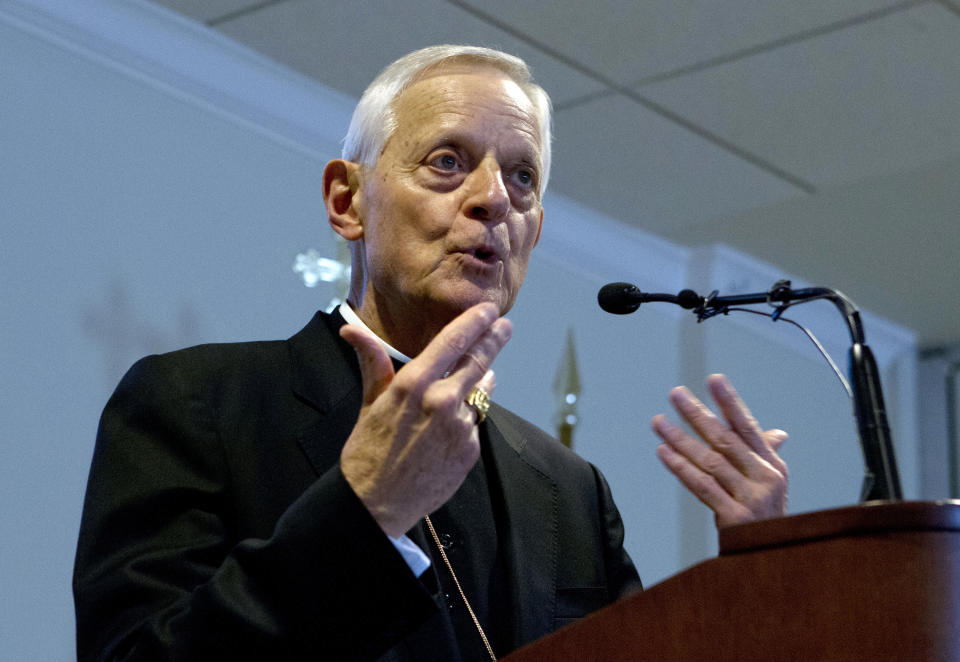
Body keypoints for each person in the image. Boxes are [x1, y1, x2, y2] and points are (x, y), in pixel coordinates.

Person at [73, 45, 788, 661]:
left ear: (535, 233)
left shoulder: (571, 490)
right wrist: (365, 511)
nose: (493, 200)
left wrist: (754, 582)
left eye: (522, 178)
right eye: (448, 161)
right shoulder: (199, 404)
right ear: (347, 201)